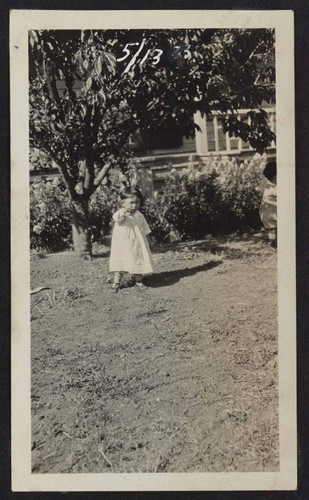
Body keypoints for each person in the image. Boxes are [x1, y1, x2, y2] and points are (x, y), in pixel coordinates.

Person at [109, 188, 154, 292]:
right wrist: (125, 210)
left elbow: (145, 228)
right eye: (131, 203)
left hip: (137, 243)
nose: (134, 206)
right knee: (121, 264)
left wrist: (149, 240)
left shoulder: (139, 214)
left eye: (137, 202)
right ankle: (116, 283)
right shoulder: (121, 214)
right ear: (123, 203)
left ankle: (138, 281)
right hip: (123, 245)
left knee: (137, 260)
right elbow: (116, 217)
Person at [259, 161, 277, 246]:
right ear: (274, 177)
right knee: (272, 228)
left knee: (273, 228)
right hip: (269, 212)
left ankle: (272, 241)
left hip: (269, 211)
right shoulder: (272, 188)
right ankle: (272, 242)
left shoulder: (271, 185)